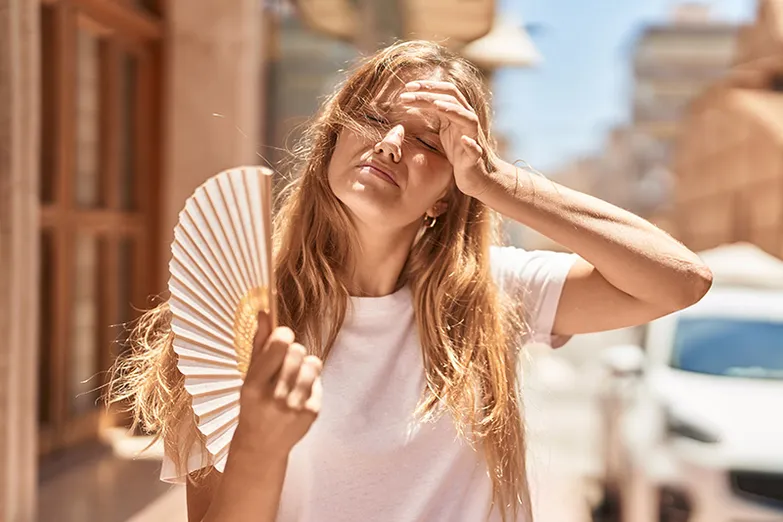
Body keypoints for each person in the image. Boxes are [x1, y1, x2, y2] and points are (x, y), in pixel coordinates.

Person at [109, 40, 712, 522]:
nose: (393, 143)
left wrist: (500, 184)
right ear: (331, 145)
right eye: (373, 118)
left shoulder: (490, 295)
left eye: (429, 139)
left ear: (448, 197)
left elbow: (680, 280)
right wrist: (259, 451)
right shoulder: (237, 312)